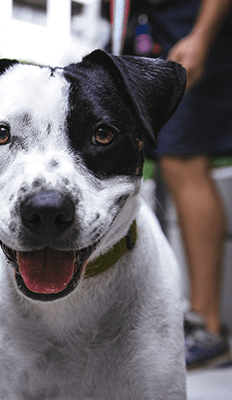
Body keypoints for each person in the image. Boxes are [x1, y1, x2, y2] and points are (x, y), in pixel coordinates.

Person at [107, 0, 232, 368]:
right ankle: (183, 319)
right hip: (153, 31)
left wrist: (201, 36)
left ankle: (208, 328)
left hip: (189, 28)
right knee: (162, 162)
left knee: (184, 161)